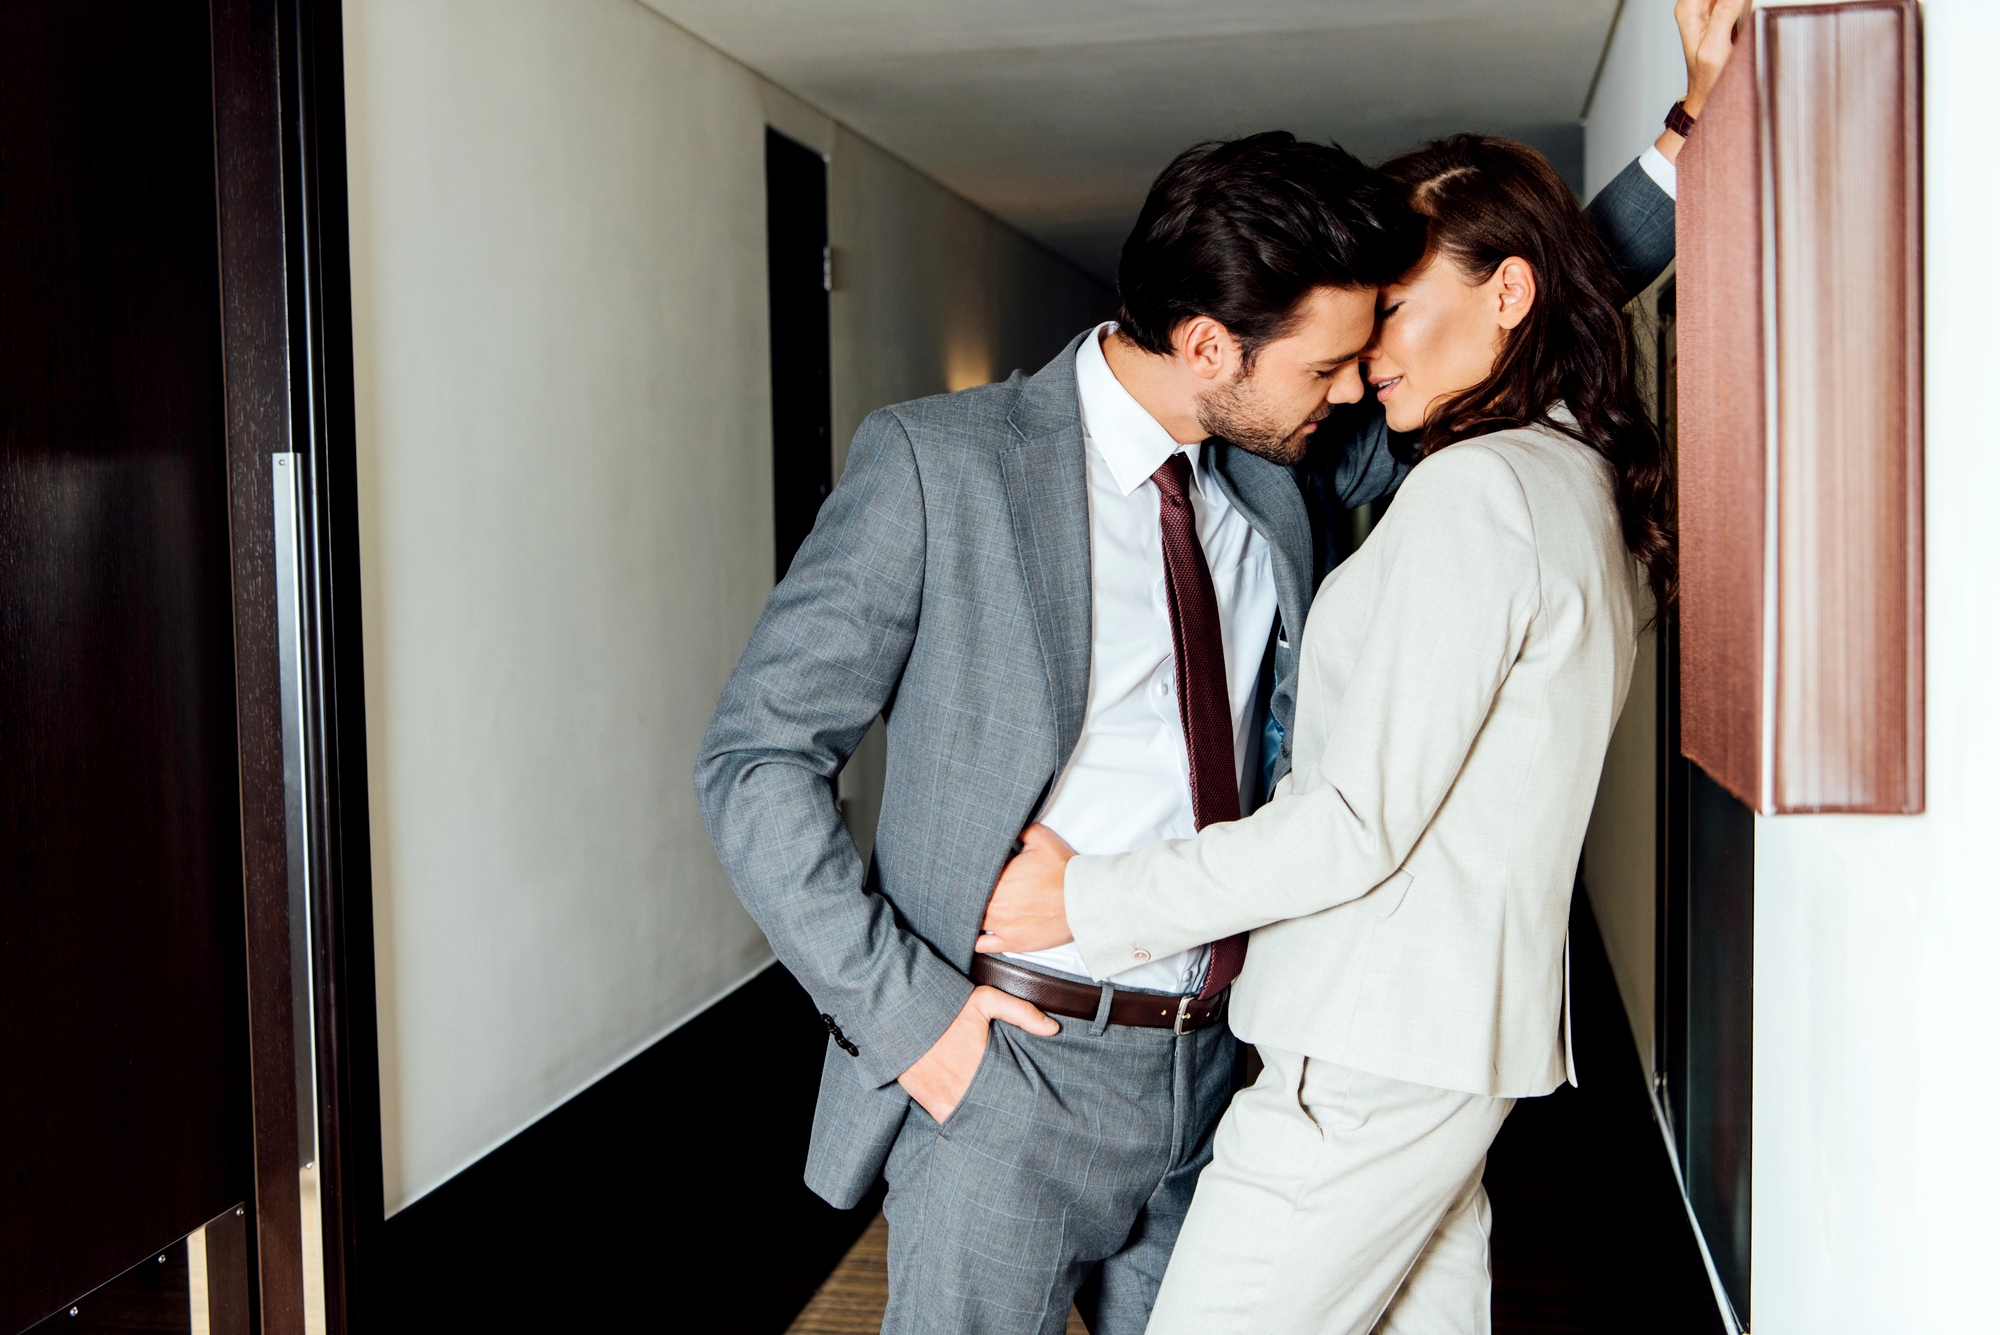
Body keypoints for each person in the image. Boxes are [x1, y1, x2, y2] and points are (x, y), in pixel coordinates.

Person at [696, 7, 1728, 1323]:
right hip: (1011, 1066)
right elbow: (754, 761)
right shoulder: (941, 467)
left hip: (1213, 1068)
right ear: (1208, 347)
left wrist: (1685, 144)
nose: (1360, 386)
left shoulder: (1279, 464)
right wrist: (918, 1025)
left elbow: (1516, 312)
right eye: (1331, 359)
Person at [976, 130, 1680, 1335]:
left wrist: (1084, 899)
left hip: (1362, 1052)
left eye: (1395, 311)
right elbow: (1555, 268)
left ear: (1508, 293)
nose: (1362, 362)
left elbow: (1348, 825)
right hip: (1449, 1046)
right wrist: (1680, 141)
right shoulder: (1567, 477)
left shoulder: (1476, 494)